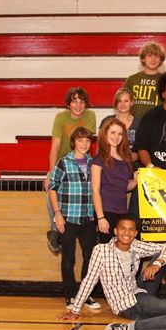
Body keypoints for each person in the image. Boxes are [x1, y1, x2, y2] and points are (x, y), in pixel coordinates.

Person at [57, 215, 166, 322]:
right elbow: (89, 280)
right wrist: (75, 310)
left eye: (131, 230)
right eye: (123, 229)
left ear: (135, 233)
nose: (127, 233)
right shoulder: (101, 250)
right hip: (126, 305)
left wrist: (157, 263)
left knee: (165, 260)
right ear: (116, 231)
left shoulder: (135, 245)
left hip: (139, 292)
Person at [48, 127, 100, 310]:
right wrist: (57, 215)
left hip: (87, 218)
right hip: (68, 218)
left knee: (90, 258)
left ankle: (85, 295)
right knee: (68, 258)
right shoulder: (63, 163)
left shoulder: (94, 163)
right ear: (73, 142)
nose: (84, 144)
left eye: (87, 141)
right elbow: (52, 188)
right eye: (80, 140)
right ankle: (70, 295)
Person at [45, 87, 96, 255]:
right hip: (63, 162)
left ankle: (90, 224)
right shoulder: (60, 117)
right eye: (75, 101)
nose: (79, 105)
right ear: (68, 104)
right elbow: (55, 145)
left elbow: (85, 143)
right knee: (50, 190)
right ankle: (54, 230)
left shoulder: (90, 116)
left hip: (81, 161)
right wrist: (51, 171)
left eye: (82, 102)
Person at [92, 118, 138, 243]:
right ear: (105, 133)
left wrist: (135, 181)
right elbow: (95, 191)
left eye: (119, 133)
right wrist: (101, 217)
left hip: (123, 212)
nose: (116, 137)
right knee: (106, 252)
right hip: (106, 211)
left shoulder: (126, 159)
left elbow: (124, 187)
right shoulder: (98, 159)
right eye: (113, 132)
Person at [123, 41, 166, 120]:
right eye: (149, 56)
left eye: (156, 56)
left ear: (161, 60)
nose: (153, 59)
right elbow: (122, 103)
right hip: (135, 124)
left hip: (157, 123)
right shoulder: (132, 80)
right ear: (143, 58)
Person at [99, 87, 140, 162]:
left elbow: (141, 151)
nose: (123, 104)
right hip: (109, 164)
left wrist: (126, 161)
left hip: (132, 165)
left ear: (132, 102)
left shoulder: (140, 123)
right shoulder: (106, 121)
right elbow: (100, 147)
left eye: (126, 101)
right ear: (115, 103)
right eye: (119, 101)